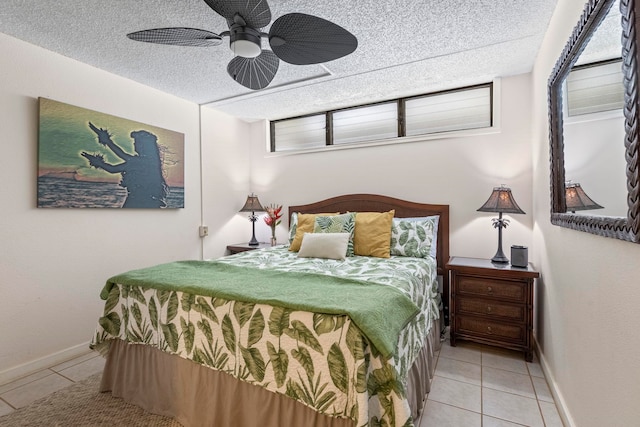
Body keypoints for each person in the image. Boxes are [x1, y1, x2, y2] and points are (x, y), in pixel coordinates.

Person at [81, 122, 168, 208]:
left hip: (140, 201)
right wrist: (99, 162)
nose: (134, 144)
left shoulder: (144, 162)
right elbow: (112, 168)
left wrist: (107, 141)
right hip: (140, 200)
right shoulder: (146, 162)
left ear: (143, 146)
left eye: (136, 142)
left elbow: (121, 156)